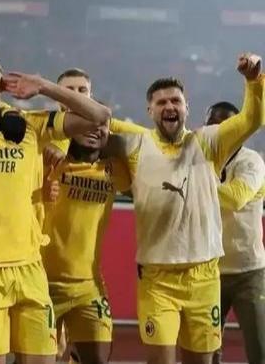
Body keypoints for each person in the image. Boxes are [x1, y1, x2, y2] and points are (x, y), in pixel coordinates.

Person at [0, 60, 111, 364]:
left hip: (30, 270)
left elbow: (99, 116)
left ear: (1, 83)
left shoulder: (31, 126)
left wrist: (43, 86)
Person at [103, 53, 264, 364]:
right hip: (157, 279)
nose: (169, 106)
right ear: (150, 110)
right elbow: (101, 123)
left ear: (187, 108)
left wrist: (254, 81)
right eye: (161, 102)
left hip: (206, 277)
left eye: (175, 100)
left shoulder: (208, 142)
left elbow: (251, 120)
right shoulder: (137, 144)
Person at [41, 118, 130, 364]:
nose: (94, 130)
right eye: (86, 124)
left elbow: (146, 143)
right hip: (42, 283)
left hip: (89, 286)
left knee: (98, 359)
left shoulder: (115, 170)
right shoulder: (49, 160)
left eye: (101, 125)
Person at [205, 102, 265, 364]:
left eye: (227, 125)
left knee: (259, 348)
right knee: (205, 352)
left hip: (248, 272)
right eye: (213, 125)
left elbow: (236, 198)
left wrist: (195, 187)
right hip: (208, 272)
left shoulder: (252, 161)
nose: (220, 131)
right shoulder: (200, 160)